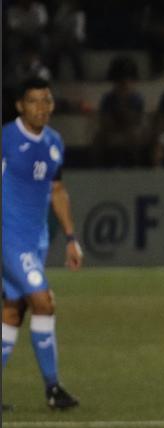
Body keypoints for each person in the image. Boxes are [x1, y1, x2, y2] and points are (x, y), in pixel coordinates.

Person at [2, 76, 83, 410]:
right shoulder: (7, 139)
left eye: (47, 101)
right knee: (44, 302)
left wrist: (71, 238)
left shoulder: (54, 142)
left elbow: (57, 190)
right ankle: (53, 389)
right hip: (10, 238)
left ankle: (52, 389)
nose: (41, 107)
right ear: (21, 105)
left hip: (36, 239)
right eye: (34, 101)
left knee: (12, 311)